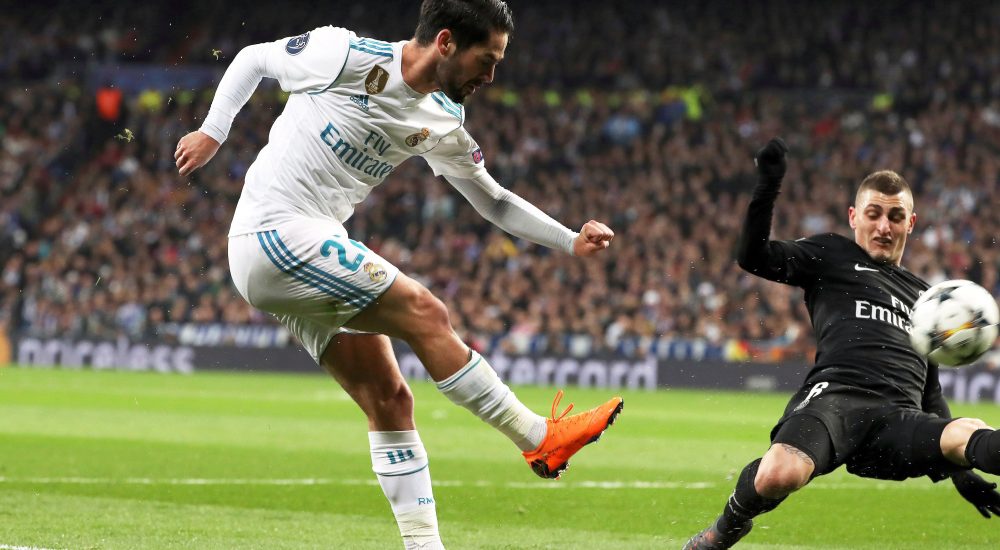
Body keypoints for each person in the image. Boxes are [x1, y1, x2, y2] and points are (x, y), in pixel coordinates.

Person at [173, 1, 623, 548]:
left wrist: (569, 239)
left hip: (308, 249)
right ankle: (538, 437)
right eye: (487, 60)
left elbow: (494, 201)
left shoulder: (444, 119)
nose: (490, 76)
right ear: (446, 42)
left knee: (389, 397)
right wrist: (213, 131)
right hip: (272, 233)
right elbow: (253, 58)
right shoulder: (344, 54)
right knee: (426, 312)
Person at [684, 138, 1000, 549]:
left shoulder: (929, 301)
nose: (884, 227)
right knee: (780, 473)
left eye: (895, 216)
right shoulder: (831, 253)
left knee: (971, 430)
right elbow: (753, 256)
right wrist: (768, 185)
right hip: (835, 401)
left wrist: (962, 474)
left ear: (911, 223)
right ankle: (726, 528)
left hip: (898, 421)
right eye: (873, 214)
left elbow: (931, 392)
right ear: (854, 217)